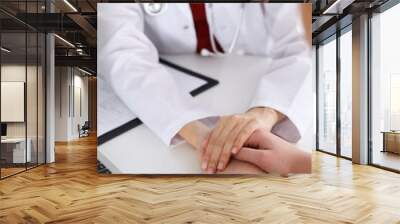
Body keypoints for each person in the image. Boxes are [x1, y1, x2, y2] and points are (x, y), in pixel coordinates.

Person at [98, 3, 312, 175]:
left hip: (254, 72)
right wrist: (197, 130)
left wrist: (266, 113)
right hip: (173, 77)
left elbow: (302, 46)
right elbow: (122, 51)